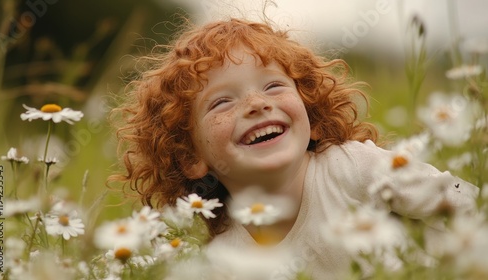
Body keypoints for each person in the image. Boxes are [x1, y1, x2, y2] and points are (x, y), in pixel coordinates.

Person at [110, 18, 479, 279]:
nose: (256, 103)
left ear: (311, 114)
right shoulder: (224, 261)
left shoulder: (355, 168)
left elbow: (472, 208)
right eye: (221, 102)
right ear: (191, 158)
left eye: (273, 87)